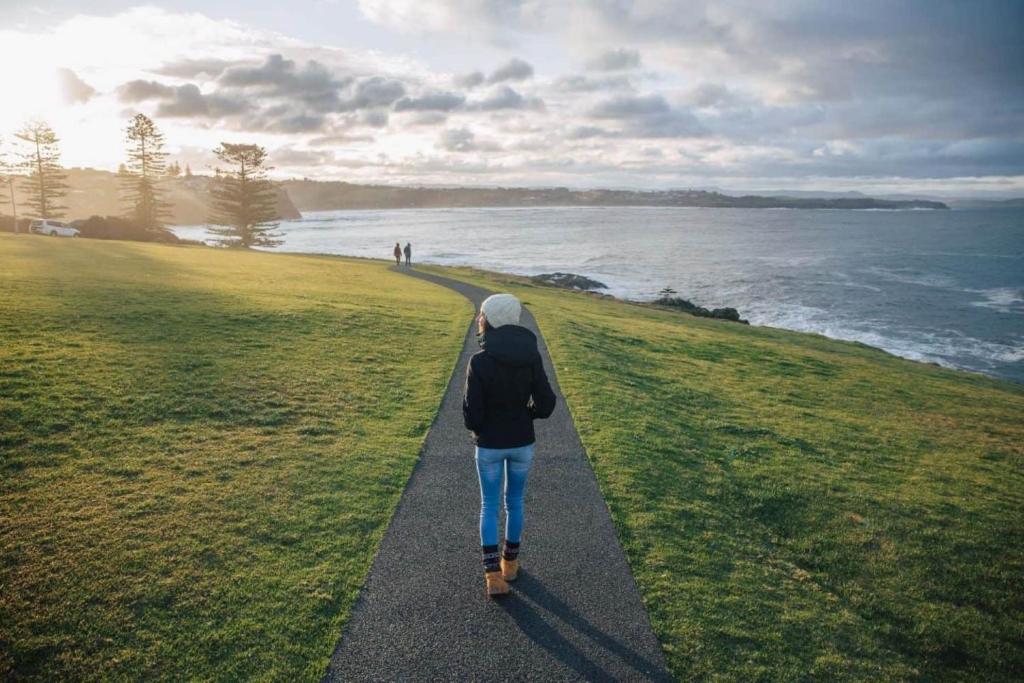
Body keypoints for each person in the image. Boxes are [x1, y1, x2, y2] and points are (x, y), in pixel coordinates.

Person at [463, 293, 556, 597]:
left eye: (481, 314)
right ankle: (510, 565)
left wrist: (482, 423)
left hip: (489, 445)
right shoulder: (531, 356)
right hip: (521, 442)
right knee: (514, 502)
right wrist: (525, 414)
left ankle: (492, 576)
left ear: (489, 319)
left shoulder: (479, 361)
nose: (479, 317)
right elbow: (546, 404)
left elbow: (472, 417)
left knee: (489, 505)